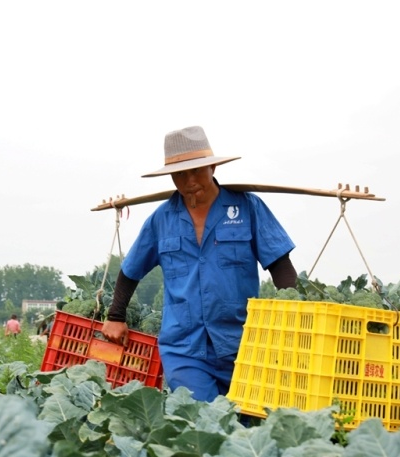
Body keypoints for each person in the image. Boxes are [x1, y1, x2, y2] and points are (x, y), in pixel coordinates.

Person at [101, 125, 297, 402]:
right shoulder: (161, 220)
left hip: (243, 344)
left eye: (197, 171)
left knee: (246, 428)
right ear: (171, 176)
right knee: (198, 419)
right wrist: (115, 317)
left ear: (213, 169)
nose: (190, 180)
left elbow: (280, 264)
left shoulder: (247, 208)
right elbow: (131, 270)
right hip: (184, 347)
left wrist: (294, 314)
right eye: (180, 174)